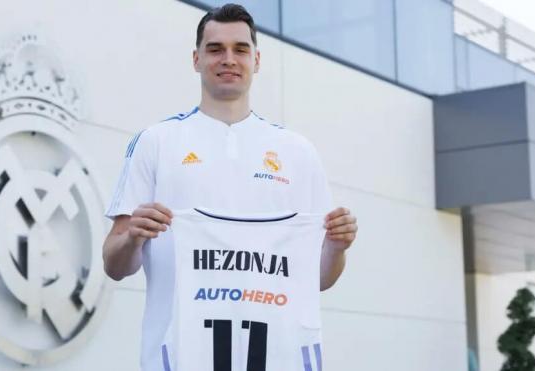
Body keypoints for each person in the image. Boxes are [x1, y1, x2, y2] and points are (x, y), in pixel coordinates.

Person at [103, 3, 358, 370]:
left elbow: (316, 279)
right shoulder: (156, 142)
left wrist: (337, 247)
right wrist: (133, 238)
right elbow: (114, 264)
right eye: (215, 49)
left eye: (240, 49)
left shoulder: (297, 152)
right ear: (195, 59)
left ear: (257, 60)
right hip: (180, 358)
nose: (228, 59)